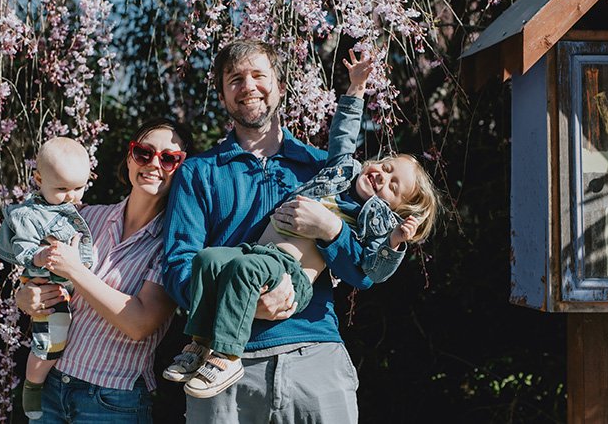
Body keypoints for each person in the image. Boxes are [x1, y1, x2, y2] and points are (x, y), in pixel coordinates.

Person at [162, 50, 440, 399]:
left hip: (312, 347)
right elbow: (179, 266)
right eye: (235, 79)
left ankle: (224, 354)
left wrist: (331, 229)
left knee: (247, 268)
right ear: (221, 95)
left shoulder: (319, 168)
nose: (248, 85)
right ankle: (204, 344)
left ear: (280, 85)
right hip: (231, 333)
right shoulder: (201, 172)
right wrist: (355, 90)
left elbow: (364, 274)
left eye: (258, 75)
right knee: (211, 260)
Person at [14, 118, 193, 423]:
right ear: (129, 157)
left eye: (169, 158)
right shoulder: (86, 218)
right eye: (144, 153)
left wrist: (73, 269)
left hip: (111, 400)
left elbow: (139, 324)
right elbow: (43, 274)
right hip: (51, 384)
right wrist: (27, 297)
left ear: (182, 168)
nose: (153, 164)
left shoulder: (174, 246)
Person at [0, 137, 94, 420]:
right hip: (45, 285)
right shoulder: (30, 214)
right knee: (51, 339)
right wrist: (39, 256)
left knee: (58, 333)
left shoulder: (73, 210)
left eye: (78, 187)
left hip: (63, 286)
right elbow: (22, 247)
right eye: (62, 189)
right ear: (38, 179)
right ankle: (33, 386)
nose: (71, 196)